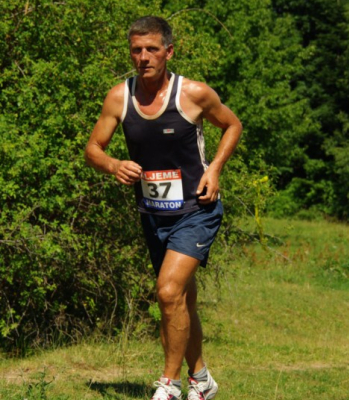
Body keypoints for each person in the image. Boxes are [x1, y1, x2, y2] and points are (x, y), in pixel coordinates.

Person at [84, 16, 242, 400]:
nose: (143, 57)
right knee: (181, 301)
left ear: (168, 52)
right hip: (154, 214)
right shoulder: (119, 97)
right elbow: (93, 149)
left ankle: (168, 386)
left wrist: (214, 170)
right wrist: (114, 165)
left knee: (168, 292)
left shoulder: (193, 94)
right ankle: (201, 380)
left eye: (152, 49)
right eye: (136, 50)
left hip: (197, 209)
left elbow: (233, 125)